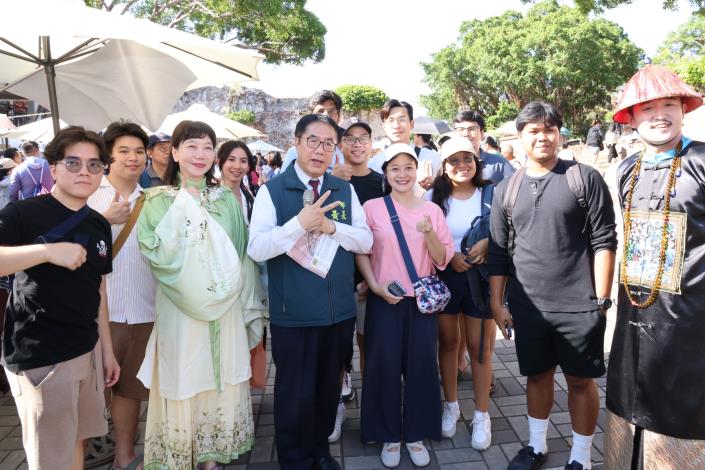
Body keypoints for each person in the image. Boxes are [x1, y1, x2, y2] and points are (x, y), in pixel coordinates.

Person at [487, 101, 617, 470]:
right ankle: (536, 446)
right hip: (528, 305)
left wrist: (602, 300)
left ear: (559, 134)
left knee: (580, 381)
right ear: (520, 136)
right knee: (537, 376)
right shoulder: (506, 189)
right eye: (534, 130)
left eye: (549, 129)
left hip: (580, 303)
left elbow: (604, 241)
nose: (542, 137)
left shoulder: (584, 178)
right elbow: (498, 252)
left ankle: (581, 456)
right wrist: (497, 303)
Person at [137, 120, 265, 470]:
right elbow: (154, 252)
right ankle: (183, 451)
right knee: (185, 370)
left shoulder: (226, 199)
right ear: (175, 152)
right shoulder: (157, 200)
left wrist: (228, 290)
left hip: (226, 305)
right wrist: (196, 283)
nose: (200, 154)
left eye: (208, 147)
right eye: (191, 146)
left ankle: (212, 452)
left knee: (220, 370)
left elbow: (239, 251)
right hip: (179, 305)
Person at [248, 114, 372, 470]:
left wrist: (332, 228)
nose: (320, 150)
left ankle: (320, 452)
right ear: (297, 143)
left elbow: (365, 240)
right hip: (294, 315)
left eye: (328, 143)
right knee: (294, 395)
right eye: (313, 141)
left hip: (339, 313)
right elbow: (257, 248)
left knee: (327, 391)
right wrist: (298, 225)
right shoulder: (272, 191)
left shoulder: (343, 189)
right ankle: (295, 461)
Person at [0, 126, 120, 470]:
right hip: (42, 358)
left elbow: (99, 289)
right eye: (73, 162)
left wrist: (107, 351)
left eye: (94, 164)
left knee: (77, 442)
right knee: (51, 457)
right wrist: (46, 252)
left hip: (86, 350)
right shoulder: (23, 213)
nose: (85, 171)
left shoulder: (97, 223)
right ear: (52, 168)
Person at [605, 64, 705, 470]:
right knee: (627, 409)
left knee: (684, 416)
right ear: (631, 118)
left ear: (683, 110)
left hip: (691, 322)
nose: (659, 115)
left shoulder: (702, 161)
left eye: (669, 105)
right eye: (647, 108)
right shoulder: (625, 169)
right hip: (634, 317)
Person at [357, 143, 453, 468]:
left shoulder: (432, 210)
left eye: (408, 167)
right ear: (385, 173)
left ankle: (416, 433)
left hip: (421, 303)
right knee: (383, 366)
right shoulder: (372, 207)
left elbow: (441, 259)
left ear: (417, 170)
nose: (402, 174)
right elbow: (362, 250)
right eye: (394, 168)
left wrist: (428, 233)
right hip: (384, 299)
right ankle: (387, 434)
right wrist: (373, 285)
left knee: (422, 367)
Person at [87, 120, 156, 470]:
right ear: (108, 157)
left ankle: (124, 456)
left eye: (139, 151)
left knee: (130, 390)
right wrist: (103, 220)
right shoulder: (88, 195)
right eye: (124, 151)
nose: (133, 158)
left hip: (144, 310)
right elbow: (68, 249)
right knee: (91, 393)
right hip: (100, 315)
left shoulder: (153, 201)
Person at [426, 137, 496, 449]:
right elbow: (424, 234)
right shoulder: (433, 196)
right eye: (453, 160)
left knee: (480, 349)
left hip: (480, 280)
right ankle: (451, 405)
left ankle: (482, 415)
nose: (462, 165)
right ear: (444, 166)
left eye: (467, 158)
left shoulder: (491, 193)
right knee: (449, 343)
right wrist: (450, 255)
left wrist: (488, 243)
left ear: (476, 162)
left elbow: (508, 228)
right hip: (446, 276)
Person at [326, 118, 385, 443]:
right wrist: (332, 180)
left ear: (371, 144)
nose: (357, 144)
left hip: (369, 282)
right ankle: (336, 407)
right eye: (350, 139)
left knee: (368, 347)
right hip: (333, 279)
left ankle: (373, 413)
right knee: (336, 349)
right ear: (341, 145)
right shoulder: (328, 180)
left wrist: (370, 279)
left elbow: (385, 236)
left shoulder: (382, 182)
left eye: (363, 138)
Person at [368, 100, 441, 190]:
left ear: (412, 124)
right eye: (391, 120)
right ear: (383, 127)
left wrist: (433, 186)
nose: (396, 125)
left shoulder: (432, 158)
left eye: (402, 119)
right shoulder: (373, 165)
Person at [281, 90, 346, 173]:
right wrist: (334, 178)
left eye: (331, 111)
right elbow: (283, 180)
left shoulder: (347, 152)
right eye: (320, 111)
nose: (326, 115)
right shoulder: (295, 153)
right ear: (311, 115)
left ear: (339, 116)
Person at [453, 110, 515, 184]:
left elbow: (516, 186)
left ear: (482, 133)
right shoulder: (447, 164)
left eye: (472, 129)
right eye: (460, 129)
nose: (466, 134)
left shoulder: (498, 163)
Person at [217, 140, 257, 224]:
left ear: (248, 166)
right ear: (220, 162)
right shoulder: (211, 198)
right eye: (231, 159)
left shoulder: (250, 198)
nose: (237, 166)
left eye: (243, 161)